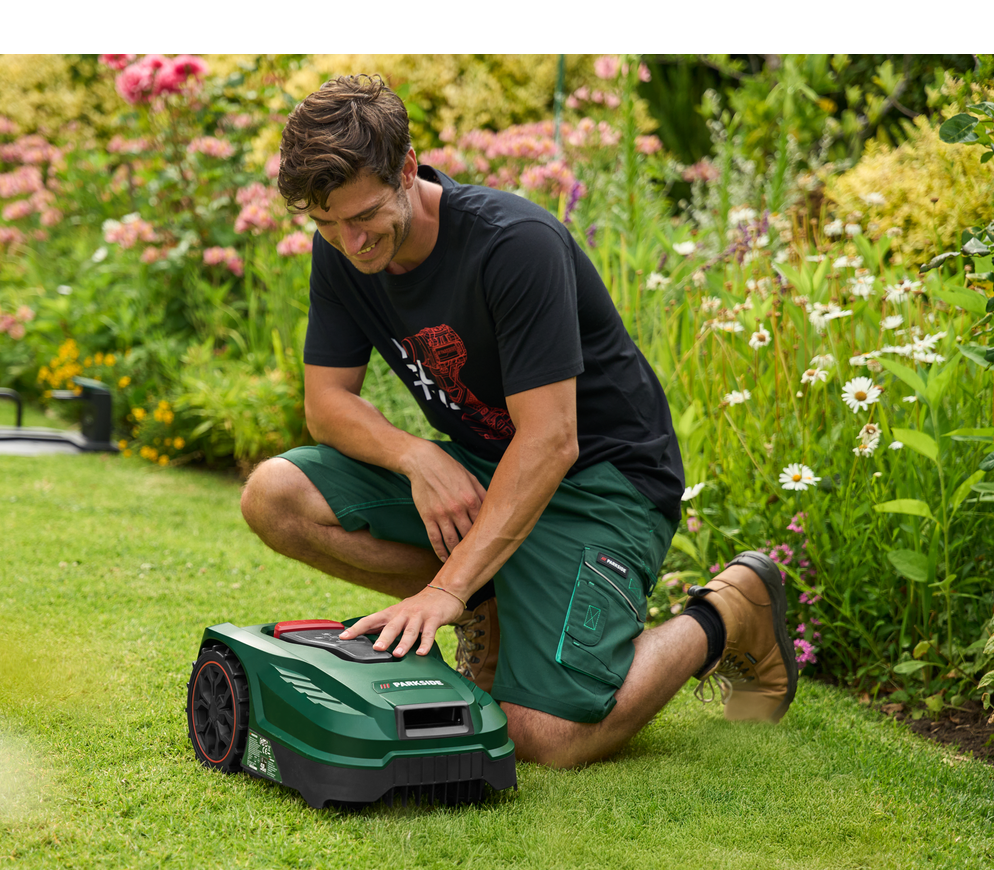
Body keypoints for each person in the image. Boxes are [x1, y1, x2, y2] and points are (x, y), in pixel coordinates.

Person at [240, 75, 797, 768]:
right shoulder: (343, 249)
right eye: (327, 225)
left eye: (365, 217)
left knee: (542, 734)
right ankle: (492, 593)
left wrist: (444, 588)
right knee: (275, 494)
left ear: (408, 169)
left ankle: (727, 612)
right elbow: (327, 403)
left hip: (604, 481)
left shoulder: (514, 244)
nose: (351, 243)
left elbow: (553, 439)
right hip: (488, 465)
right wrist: (420, 457)